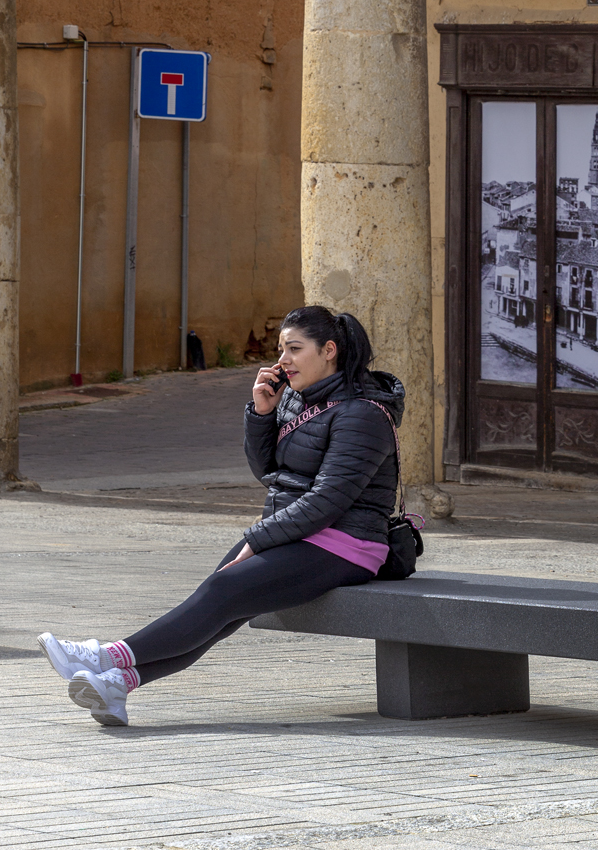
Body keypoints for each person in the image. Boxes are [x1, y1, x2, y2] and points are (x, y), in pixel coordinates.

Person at [37, 306, 402, 726]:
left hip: (349, 544)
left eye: (294, 349)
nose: (282, 360)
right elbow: (270, 472)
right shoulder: (297, 399)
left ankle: (105, 657)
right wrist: (261, 414)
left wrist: (258, 539)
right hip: (297, 532)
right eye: (281, 349)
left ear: (329, 351)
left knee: (223, 589)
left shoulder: (363, 414)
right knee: (220, 605)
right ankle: (117, 685)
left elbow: (328, 501)